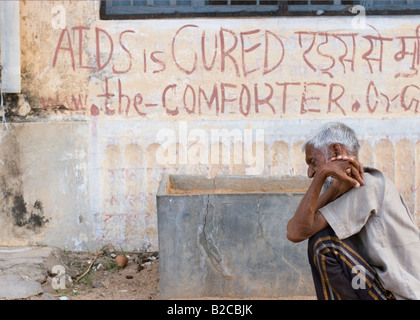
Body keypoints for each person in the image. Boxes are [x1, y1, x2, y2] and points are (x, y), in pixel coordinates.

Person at [286, 122, 420, 300]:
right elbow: (294, 229)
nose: (311, 173)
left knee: (322, 243)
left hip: (402, 294)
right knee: (322, 239)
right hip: (385, 288)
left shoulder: (367, 186)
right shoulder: (344, 188)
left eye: (313, 163)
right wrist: (333, 189)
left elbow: (299, 232)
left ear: (335, 151)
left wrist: (323, 172)